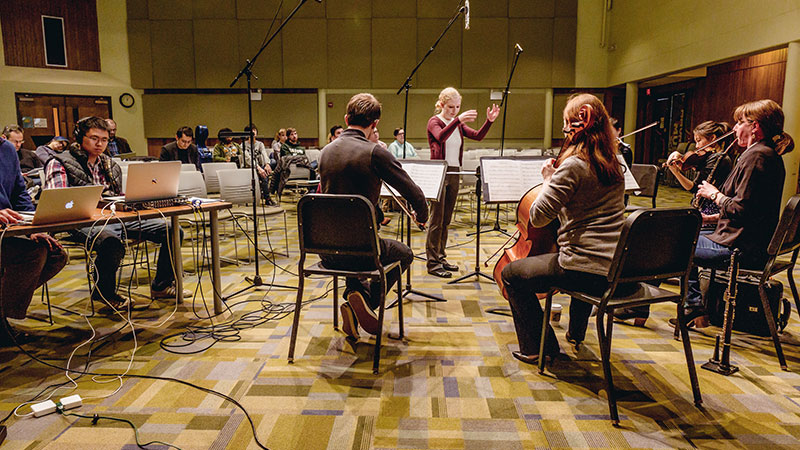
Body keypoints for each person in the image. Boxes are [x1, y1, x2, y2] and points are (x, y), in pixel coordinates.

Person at [500, 93, 628, 364]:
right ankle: (576, 332)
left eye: (565, 123)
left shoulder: (573, 165)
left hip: (583, 268)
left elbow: (538, 217)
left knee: (511, 274)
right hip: (617, 266)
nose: (564, 131)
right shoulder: (613, 163)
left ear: (575, 125)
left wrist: (548, 180)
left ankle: (539, 348)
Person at [669, 99, 793, 329]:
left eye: (739, 123)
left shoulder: (756, 157)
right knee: (690, 231)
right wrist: (712, 218)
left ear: (754, 127)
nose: (734, 129)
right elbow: (754, 210)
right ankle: (696, 308)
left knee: (678, 244)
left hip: (742, 248)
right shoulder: (767, 154)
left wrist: (714, 195)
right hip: (749, 239)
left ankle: (693, 307)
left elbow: (741, 210)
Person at [43, 117, 189, 307]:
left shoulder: (110, 164)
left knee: (173, 231)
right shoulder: (59, 163)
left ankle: (161, 285)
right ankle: (104, 293)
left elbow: (115, 195)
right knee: (110, 241)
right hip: (79, 221)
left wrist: (130, 199)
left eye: (104, 140)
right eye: (94, 138)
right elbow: (59, 202)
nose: (100, 144)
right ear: (80, 138)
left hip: (114, 217)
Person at [319, 93, 428, 340]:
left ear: (346, 119)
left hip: (325, 250)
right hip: (363, 250)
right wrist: (422, 215)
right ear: (375, 124)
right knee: (404, 254)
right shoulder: (375, 153)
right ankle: (366, 301)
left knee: (350, 248)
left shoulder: (325, 152)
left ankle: (354, 299)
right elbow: (411, 191)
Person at [0, 136, 68, 346]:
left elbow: (20, 192)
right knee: (33, 254)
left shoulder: (6, 149)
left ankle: (2, 314)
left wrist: (33, 227)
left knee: (54, 253)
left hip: (8, 228)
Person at [425, 87, 500, 278]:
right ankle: (432, 262)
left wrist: (488, 122)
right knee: (436, 220)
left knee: (447, 219)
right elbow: (441, 136)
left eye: (457, 107)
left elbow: (478, 136)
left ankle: (440, 256)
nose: (454, 111)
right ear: (441, 104)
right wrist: (457, 120)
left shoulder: (456, 124)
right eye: (451, 107)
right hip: (440, 172)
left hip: (454, 171)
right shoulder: (435, 122)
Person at [665, 121, 734, 216]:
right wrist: (681, 157)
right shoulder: (711, 157)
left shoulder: (718, 159)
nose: (696, 146)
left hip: (710, 211)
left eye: (699, 140)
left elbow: (694, 188)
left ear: (713, 138)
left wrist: (676, 173)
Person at [241, 124, 278, 206]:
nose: (253, 132)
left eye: (254, 130)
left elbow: (264, 154)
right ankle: (267, 198)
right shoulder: (243, 145)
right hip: (249, 168)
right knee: (264, 175)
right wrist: (258, 168)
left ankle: (267, 196)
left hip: (260, 166)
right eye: (251, 130)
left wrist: (267, 164)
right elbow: (248, 160)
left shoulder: (260, 144)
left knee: (272, 163)